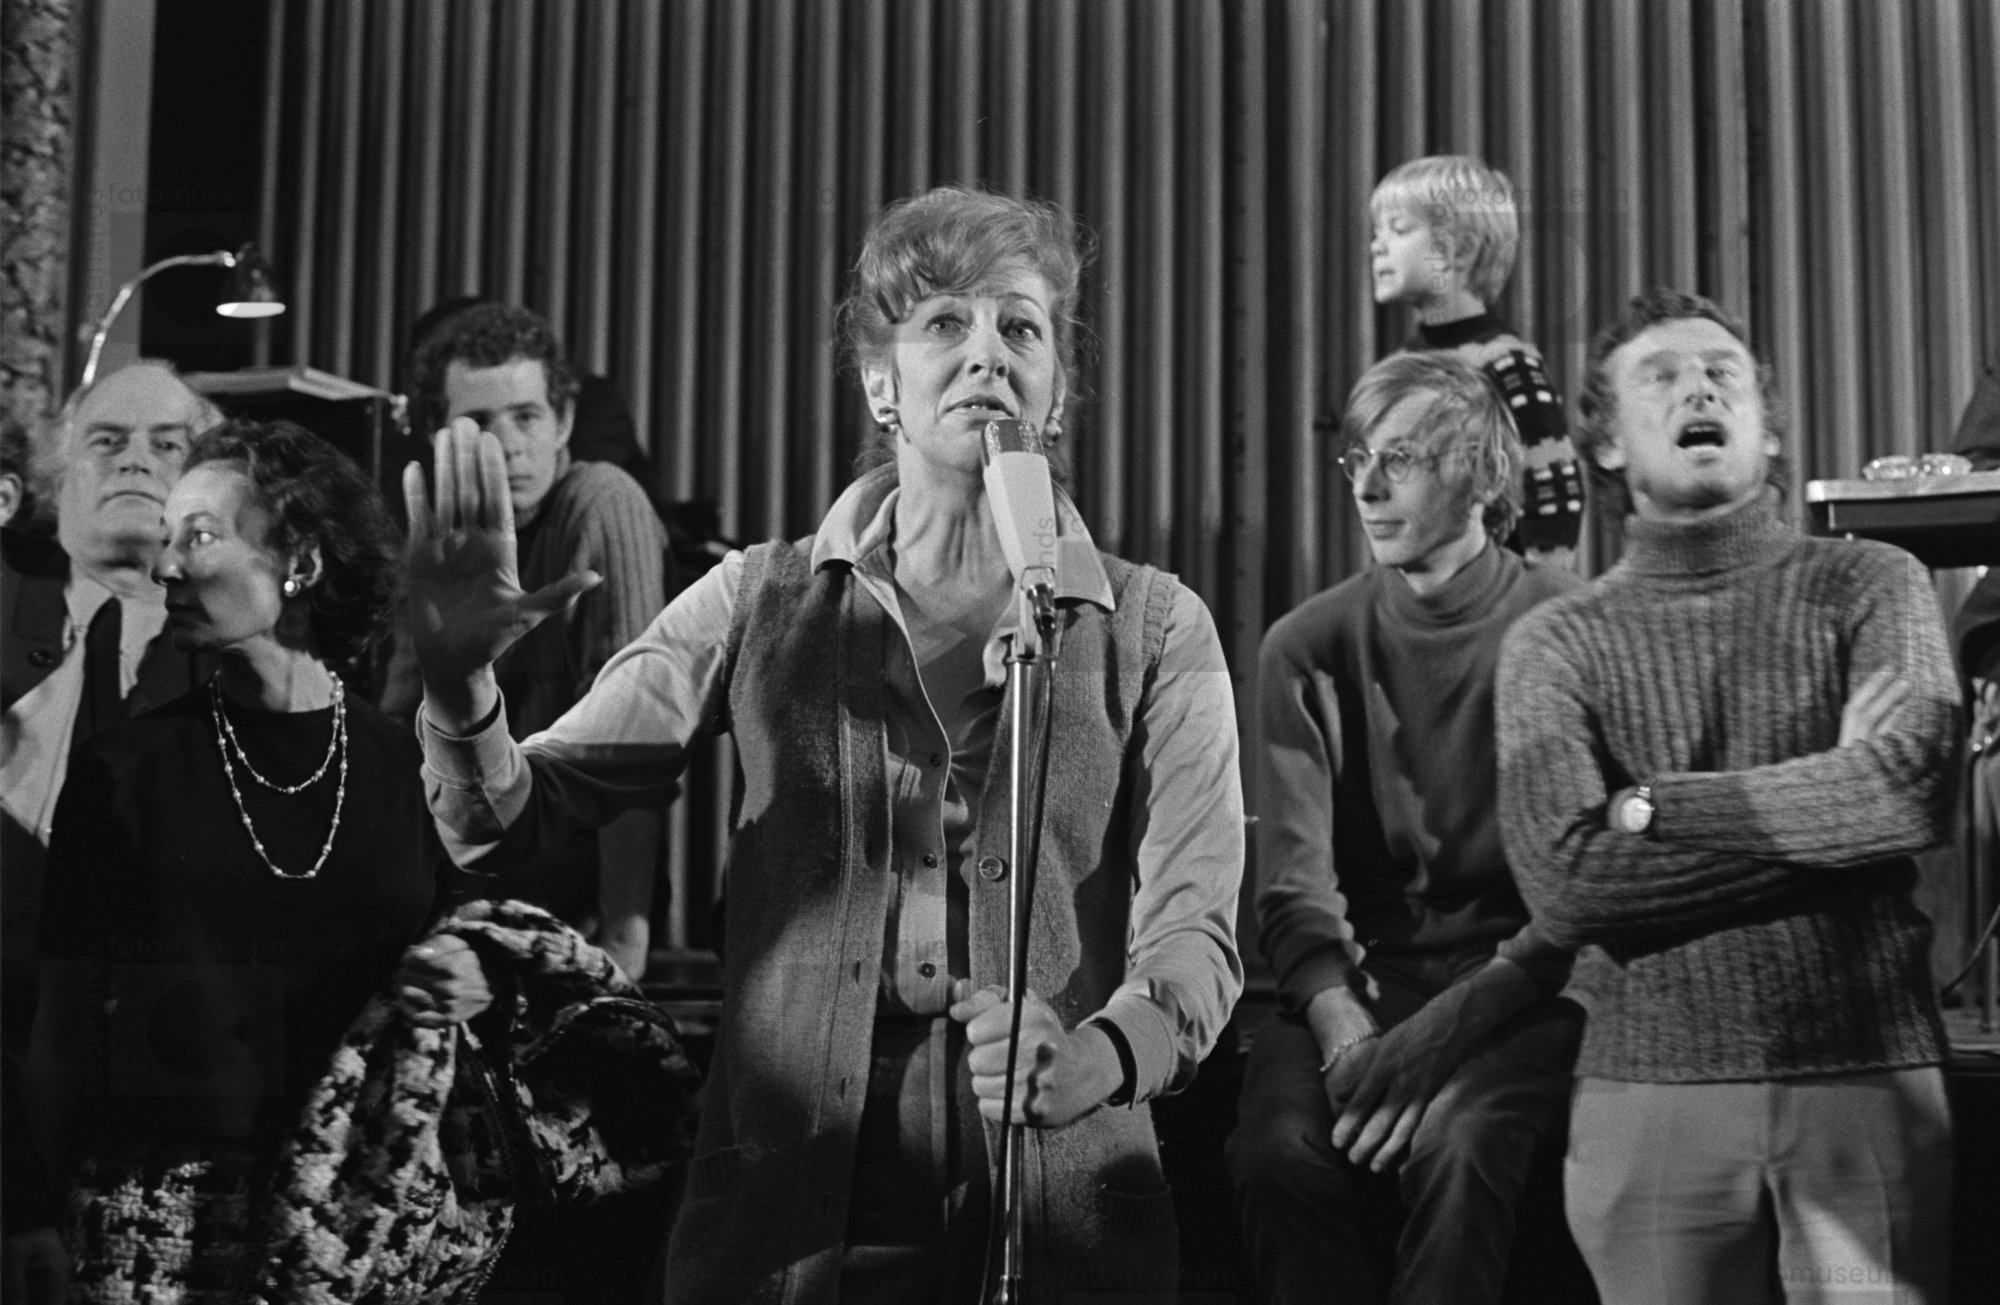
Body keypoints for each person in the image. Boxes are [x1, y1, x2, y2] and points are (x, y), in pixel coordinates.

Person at [400, 185, 1244, 1302]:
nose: (987, 353)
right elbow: (503, 820)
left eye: (1020, 327)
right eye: (944, 322)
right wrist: (460, 687)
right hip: (782, 1221)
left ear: (1054, 391)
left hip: (1055, 1222)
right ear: (879, 383)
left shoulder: (1157, 626)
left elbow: (1196, 933)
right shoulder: (754, 598)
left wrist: (1102, 1052)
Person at [1497, 289, 1960, 1303]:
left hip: (1863, 1074)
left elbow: (1909, 792)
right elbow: (1567, 884)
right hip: (1647, 1090)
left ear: (1769, 425)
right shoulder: (1553, 641)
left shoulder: (1874, 584)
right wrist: (1830, 812)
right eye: (1659, 376)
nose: (1698, 388)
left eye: (1722, 372)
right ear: (1605, 442)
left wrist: (1652, 808)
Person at [21, 419, 481, 1301]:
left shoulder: (409, 766)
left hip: (358, 1213)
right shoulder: (126, 770)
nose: (166, 567)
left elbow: (462, 953)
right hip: (153, 1214)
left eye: (198, 537)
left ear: (299, 559)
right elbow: (60, 1030)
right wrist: (24, 1215)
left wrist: (467, 976)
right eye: (165, 539)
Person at [1226, 353, 1584, 1305]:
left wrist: (1441, 1037)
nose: (1369, 488)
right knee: (1277, 1150)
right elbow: (1294, 885)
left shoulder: (1569, 624)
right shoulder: (1306, 644)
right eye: (1358, 460)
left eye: (1404, 459)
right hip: (1368, 974)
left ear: (1486, 474)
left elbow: (1585, 895)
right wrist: (1347, 1029)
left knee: (1463, 1141)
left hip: (1528, 984)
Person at [402, 303, 671, 980]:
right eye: (480, 423)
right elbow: (398, 735)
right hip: (455, 872)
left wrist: (625, 940)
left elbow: (630, 740)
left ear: (565, 422)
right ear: (439, 434)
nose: (509, 445)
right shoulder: (439, 530)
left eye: (526, 417)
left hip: (569, 885)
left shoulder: (599, 500)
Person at [1370, 154, 1584, 568]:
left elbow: (1553, 489)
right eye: (1377, 232)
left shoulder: (1505, 364)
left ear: (1461, 250)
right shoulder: (1398, 368)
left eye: (1399, 229)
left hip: (1500, 590)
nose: (1377, 245)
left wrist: (1544, 588)